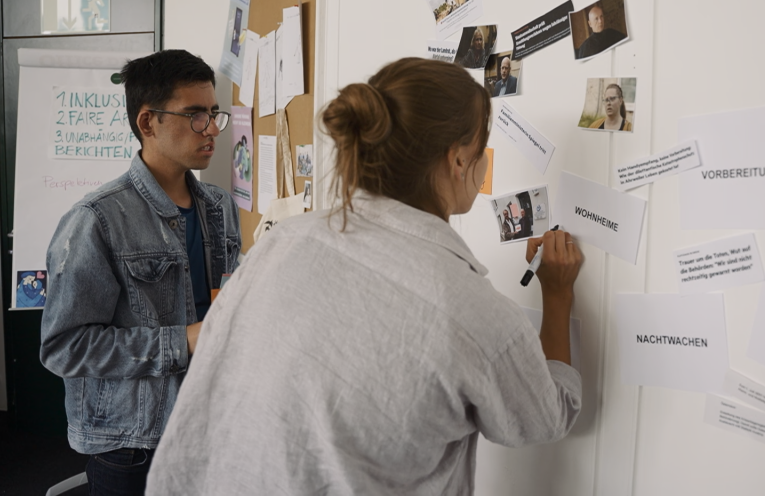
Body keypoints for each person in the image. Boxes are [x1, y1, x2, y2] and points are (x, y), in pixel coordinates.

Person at [146, 57, 583, 495]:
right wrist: (559, 294)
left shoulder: (284, 241)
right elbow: (544, 416)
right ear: (458, 160)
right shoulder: (471, 308)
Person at [39, 49, 241, 496]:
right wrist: (185, 339)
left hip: (210, 424)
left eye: (212, 113)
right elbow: (64, 348)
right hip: (134, 444)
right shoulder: (96, 219)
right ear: (148, 123)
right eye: (194, 115)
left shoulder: (219, 206)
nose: (210, 129)